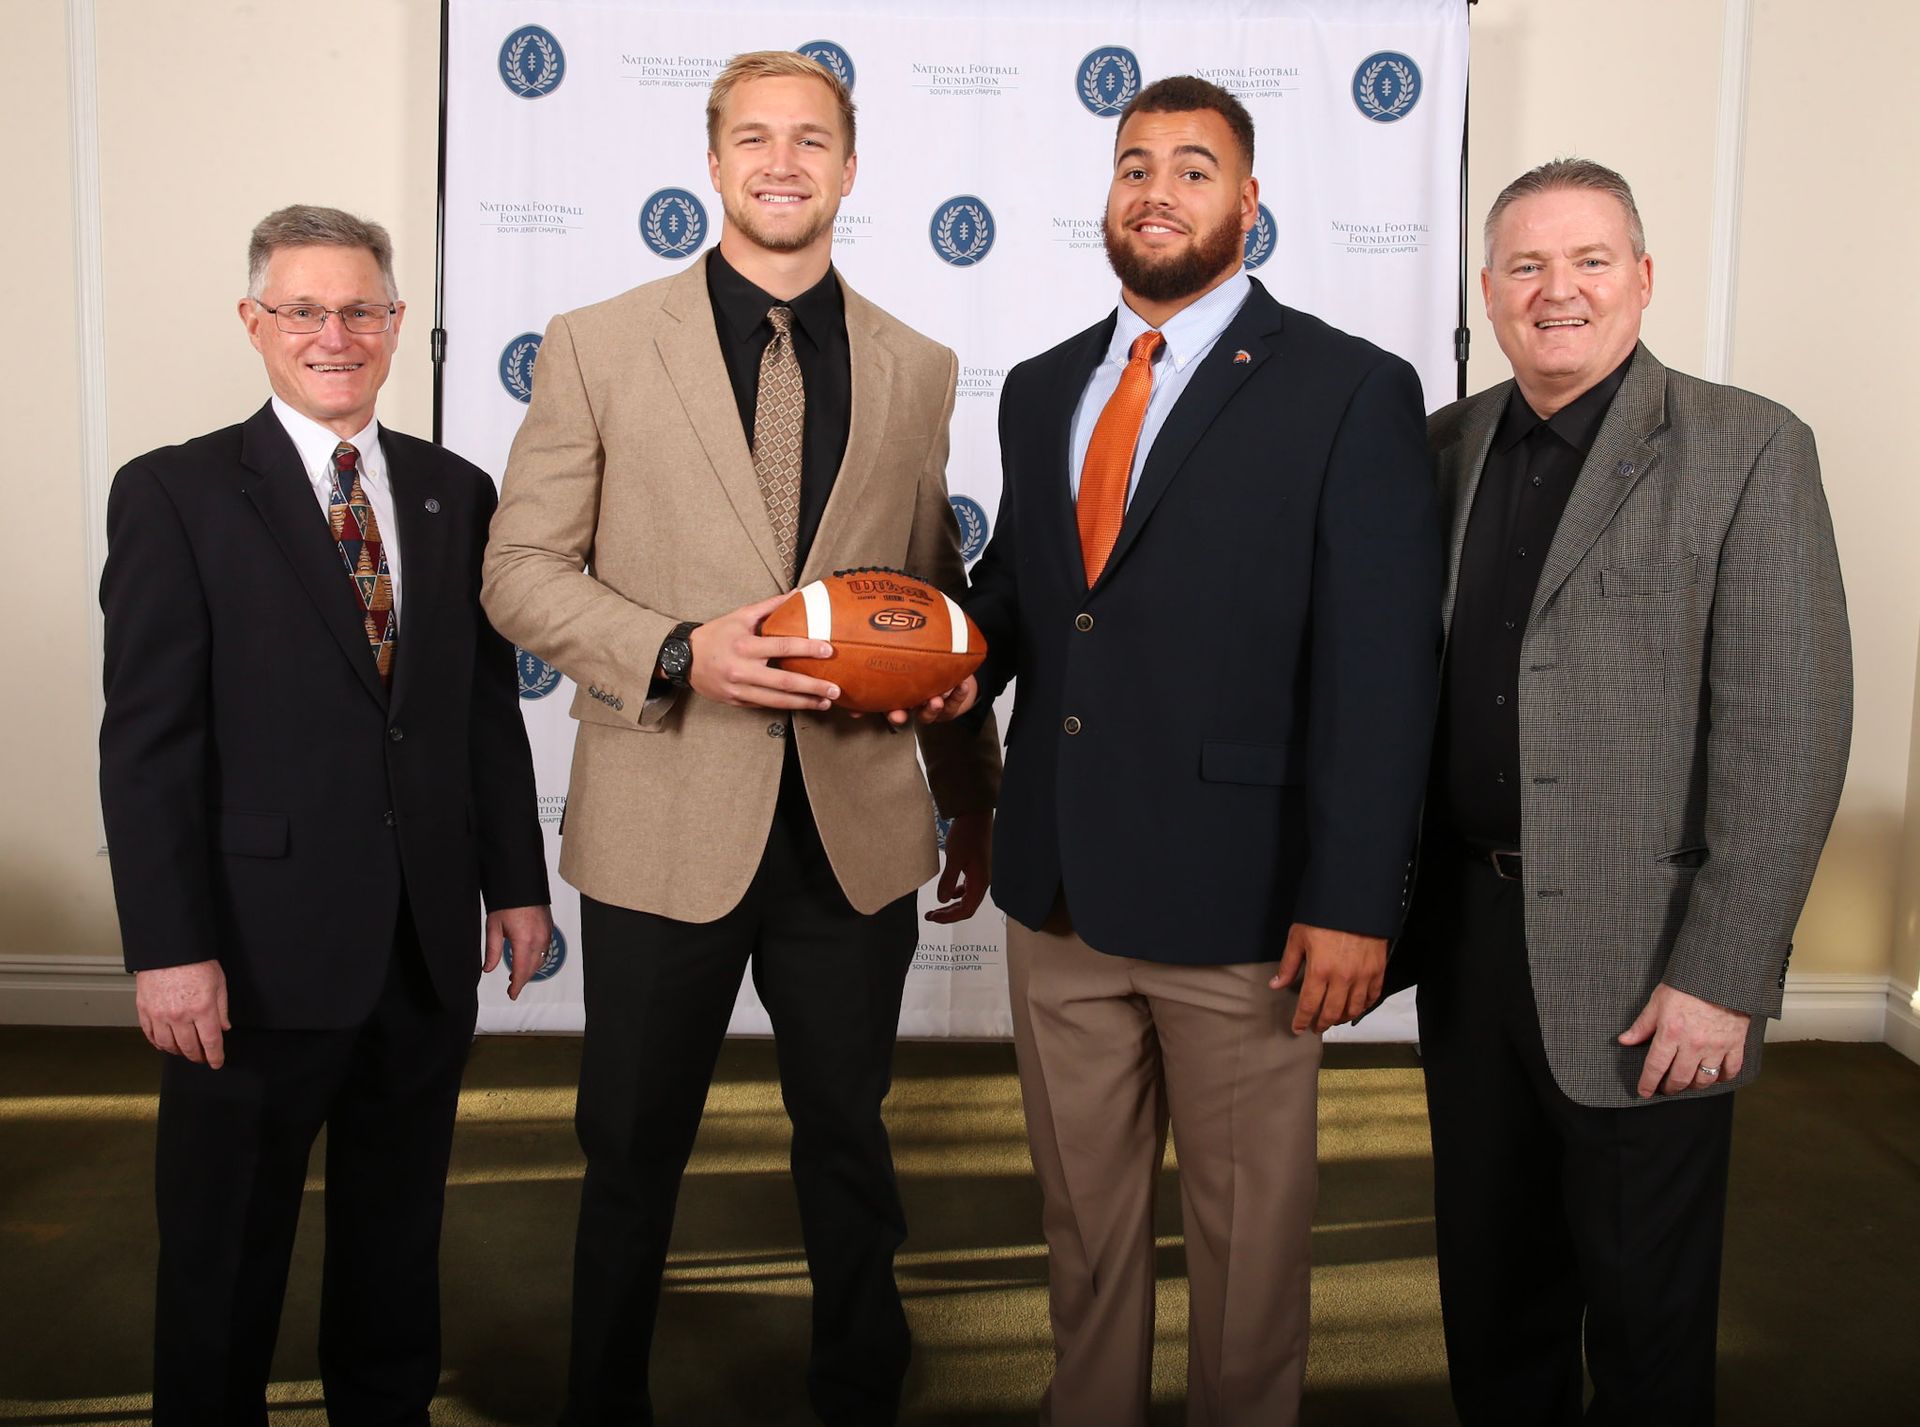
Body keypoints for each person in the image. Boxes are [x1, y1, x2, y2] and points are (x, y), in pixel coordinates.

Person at [481, 50, 1000, 1427]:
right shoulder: (598, 341)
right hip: (662, 821)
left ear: (848, 166)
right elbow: (520, 570)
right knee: (630, 1148)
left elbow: (925, 593)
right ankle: (606, 1396)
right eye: (755, 138)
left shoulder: (918, 365)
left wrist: (972, 784)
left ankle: (859, 1390)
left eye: (812, 138)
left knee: (848, 1140)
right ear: (711, 163)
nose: (784, 161)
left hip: (855, 833)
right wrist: (676, 649)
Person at [960, 75, 1440, 1427]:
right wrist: (930, 650)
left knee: (1247, 1252)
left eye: (1193, 166)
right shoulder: (1048, 384)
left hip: (1246, 907)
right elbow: (1036, 601)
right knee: (1084, 1235)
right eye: (1134, 165)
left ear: (1249, 202)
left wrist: (1354, 897)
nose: (1156, 190)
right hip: (1058, 895)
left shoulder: (1349, 388)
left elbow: (1381, 669)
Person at [1397, 157, 1851, 1423]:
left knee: (1646, 1325)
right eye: (1527, 265)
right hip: (1470, 942)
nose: (1559, 291)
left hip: (1652, 966)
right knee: (1492, 1299)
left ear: (1642, 279)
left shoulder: (1747, 445)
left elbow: (1788, 731)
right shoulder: (1442, 449)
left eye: (1590, 260)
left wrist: (1722, 971)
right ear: (1489, 291)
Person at [97, 204, 553, 1423]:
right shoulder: (175, 493)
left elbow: (478, 713)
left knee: (396, 1243)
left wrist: (514, 881)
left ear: (397, 324)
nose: (333, 333)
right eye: (303, 309)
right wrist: (168, 949)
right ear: (255, 322)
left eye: (359, 309)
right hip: (245, 957)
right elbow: (146, 748)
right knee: (222, 1253)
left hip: (418, 949)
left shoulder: (458, 492)